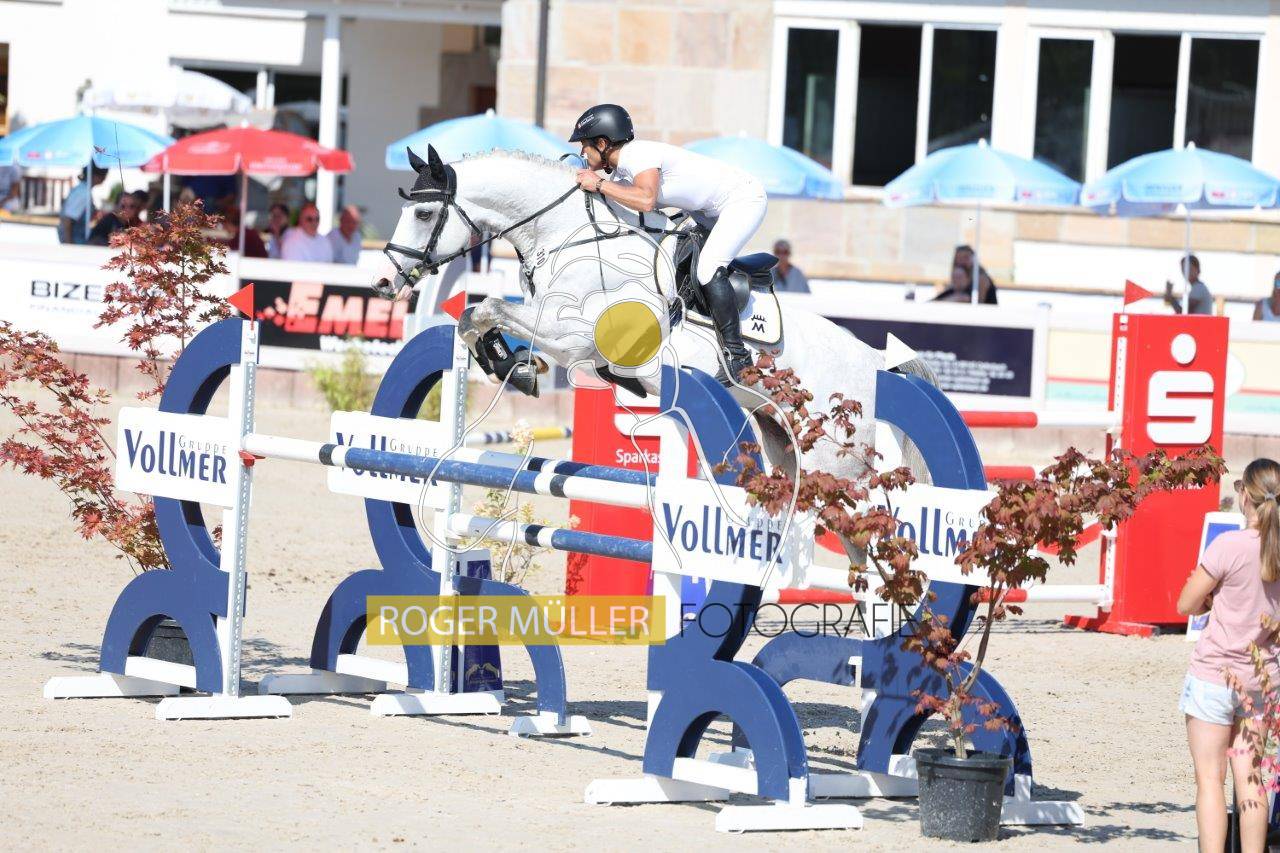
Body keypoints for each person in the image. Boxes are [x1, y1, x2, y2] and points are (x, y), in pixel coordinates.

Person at [570, 103, 767, 385]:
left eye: (584, 145)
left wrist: (598, 184)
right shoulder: (621, 173)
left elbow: (645, 200)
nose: (582, 153)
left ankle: (738, 359)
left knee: (707, 269)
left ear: (602, 143)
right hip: (704, 211)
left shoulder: (637, 154)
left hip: (742, 200)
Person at [1177, 459, 1280, 853]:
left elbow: (1186, 603)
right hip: (1261, 678)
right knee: (1251, 778)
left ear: (1245, 497)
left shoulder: (1228, 546)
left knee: (1210, 780)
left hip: (1215, 675)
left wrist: (1211, 601)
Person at [933, 245, 997, 304]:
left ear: (973, 259)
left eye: (966, 257)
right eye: (958, 258)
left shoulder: (981, 278)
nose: (962, 261)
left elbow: (977, 302)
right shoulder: (962, 275)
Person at [59, 165, 107, 244]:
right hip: (75, 242)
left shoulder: (83, 189)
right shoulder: (83, 193)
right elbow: (68, 220)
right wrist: (69, 245)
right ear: (96, 175)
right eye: (104, 175)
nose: (104, 178)